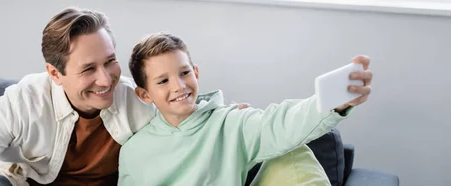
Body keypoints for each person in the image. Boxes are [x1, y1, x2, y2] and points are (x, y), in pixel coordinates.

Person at [0, 7, 249, 186]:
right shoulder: (24, 101)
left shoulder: (136, 101)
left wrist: (231, 117)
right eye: (88, 69)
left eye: (110, 61)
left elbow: (185, 111)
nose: (106, 79)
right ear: (55, 74)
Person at [118, 32, 373, 185]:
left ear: (196, 73)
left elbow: (281, 123)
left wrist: (331, 103)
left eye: (184, 73)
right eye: (163, 81)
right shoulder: (134, 151)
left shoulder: (231, 123)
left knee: (291, 150)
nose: (179, 86)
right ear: (144, 94)